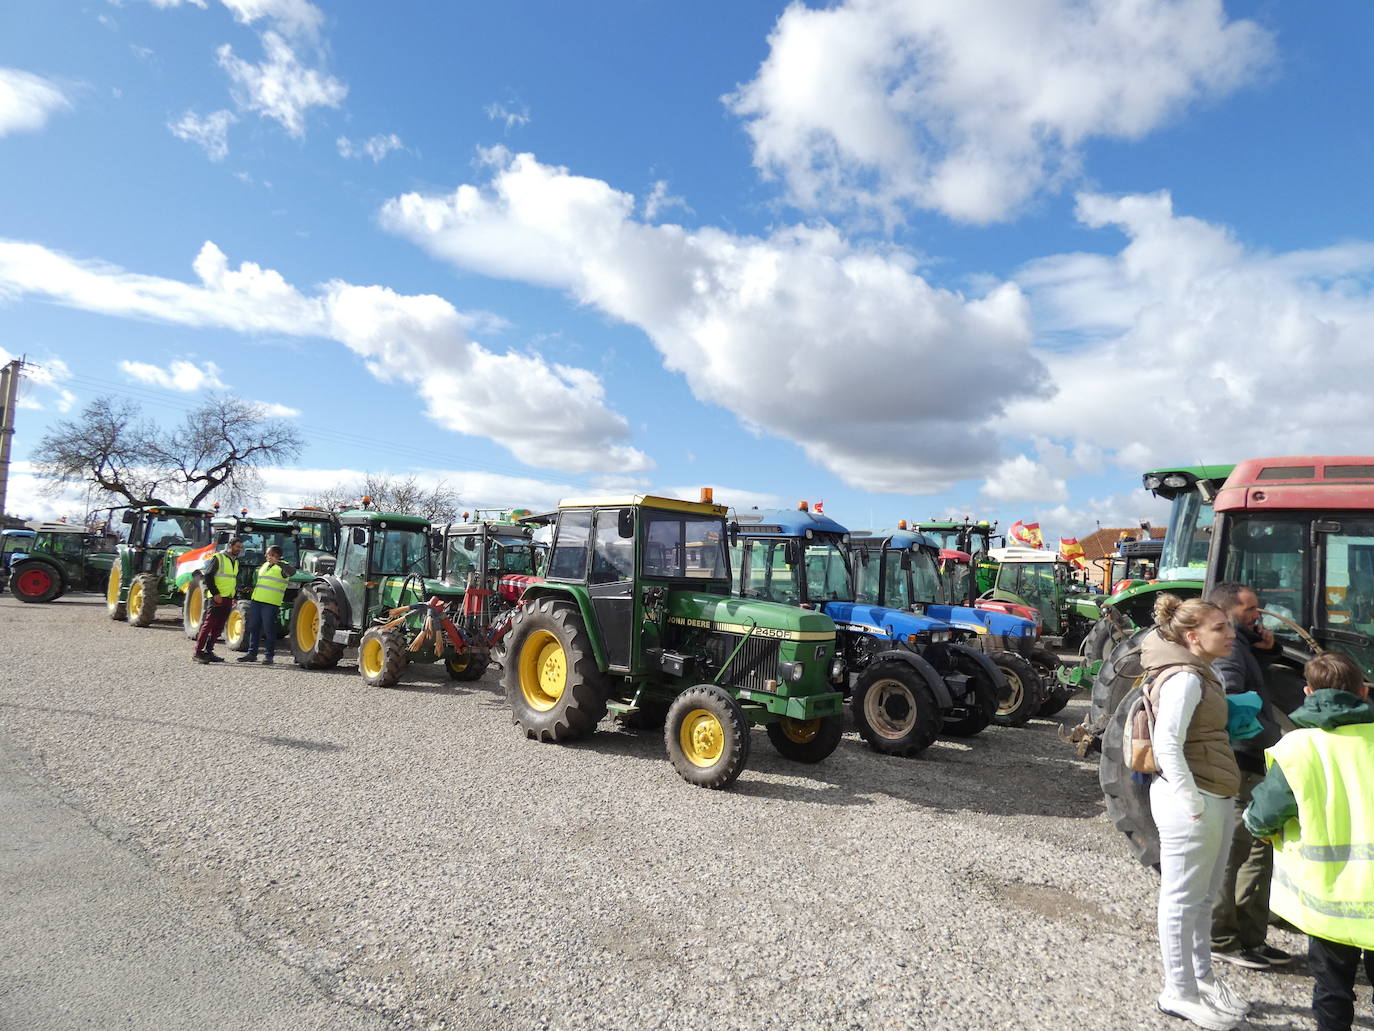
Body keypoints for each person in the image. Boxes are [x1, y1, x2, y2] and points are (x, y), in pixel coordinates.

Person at [1243, 652, 1374, 1031]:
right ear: (1363, 690)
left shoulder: (1298, 749)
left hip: (1330, 899)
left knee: (1333, 989)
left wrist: (1258, 828)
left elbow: (1263, 815)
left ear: (1307, 692)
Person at [1144, 594, 1247, 1030]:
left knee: (1203, 897)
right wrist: (1190, 802)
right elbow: (1167, 745)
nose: (1231, 633)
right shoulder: (1186, 678)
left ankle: (1202, 978)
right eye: (1220, 627)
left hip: (1210, 796)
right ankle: (1178, 990)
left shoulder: (1204, 675)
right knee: (1182, 899)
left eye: (1228, 625)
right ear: (1192, 636)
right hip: (1192, 800)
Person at [1207, 582, 1293, 969]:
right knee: (1235, 854)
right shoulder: (1227, 655)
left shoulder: (1240, 645)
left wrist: (1270, 646)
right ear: (1227, 611)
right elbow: (1231, 709)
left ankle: (1250, 937)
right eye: (1251, 610)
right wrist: (1279, 743)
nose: (1258, 615)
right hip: (1244, 764)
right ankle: (1222, 939)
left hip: (1258, 762)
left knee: (1259, 852)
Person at [192, 536, 243, 664]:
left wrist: (234, 596)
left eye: (240, 547)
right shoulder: (218, 558)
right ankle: (198, 652)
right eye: (237, 547)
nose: (239, 549)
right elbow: (208, 575)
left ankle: (209, 651)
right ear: (230, 546)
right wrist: (215, 593)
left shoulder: (236, 561)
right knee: (208, 624)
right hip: (217, 598)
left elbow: (232, 580)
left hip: (227, 598)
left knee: (219, 626)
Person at [236, 544, 288, 665]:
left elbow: (292, 572)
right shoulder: (265, 565)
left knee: (269, 629)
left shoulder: (283, 567)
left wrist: (278, 562)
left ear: (276, 555)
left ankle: (269, 656)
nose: (266, 556)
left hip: (270, 603)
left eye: (269, 554)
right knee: (253, 627)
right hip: (257, 601)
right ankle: (252, 653)